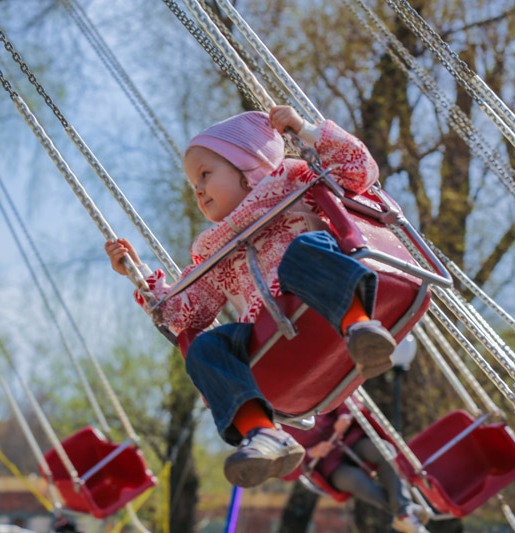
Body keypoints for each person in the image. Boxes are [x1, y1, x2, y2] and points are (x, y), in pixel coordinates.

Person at [105, 106, 396, 487]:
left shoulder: (294, 182)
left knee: (304, 250)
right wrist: (139, 273)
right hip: (270, 340)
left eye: (206, 175)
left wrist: (307, 131)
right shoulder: (214, 250)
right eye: (194, 184)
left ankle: (361, 329)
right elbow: (182, 314)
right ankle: (263, 433)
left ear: (248, 166)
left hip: (322, 301)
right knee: (205, 347)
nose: (198, 190)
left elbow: (358, 170)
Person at [284, 406, 429, 533]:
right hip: (328, 464)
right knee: (355, 480)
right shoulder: (276, 422)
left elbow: (344, 396)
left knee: (384, 450)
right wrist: (310, 453)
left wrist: (343, 416)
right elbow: (285, 471)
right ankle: (405, 511)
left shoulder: (309, 389)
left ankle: (404, 513)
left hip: (349, 438)